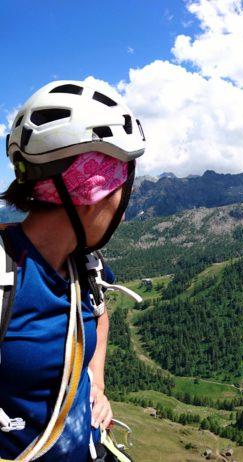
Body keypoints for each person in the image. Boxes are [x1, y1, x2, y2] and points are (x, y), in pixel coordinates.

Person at [0, 80, 145, 461]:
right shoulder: (6, 279)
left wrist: (95, 380)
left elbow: (98, 315)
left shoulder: (84, 266)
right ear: (89, 197)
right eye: (120, 193)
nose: (124, 212)